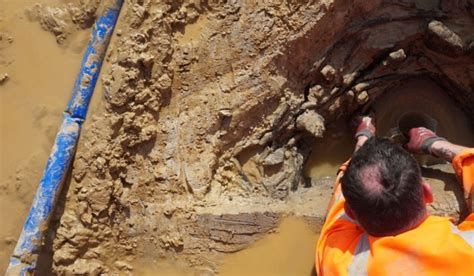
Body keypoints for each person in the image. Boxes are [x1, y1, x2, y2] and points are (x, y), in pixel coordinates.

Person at [315, 116, 474, 275]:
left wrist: (363, 142)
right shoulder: (469, 246)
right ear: (427, 193)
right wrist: (434, 144)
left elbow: (336, 214)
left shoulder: (340, 264)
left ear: (350, 212)